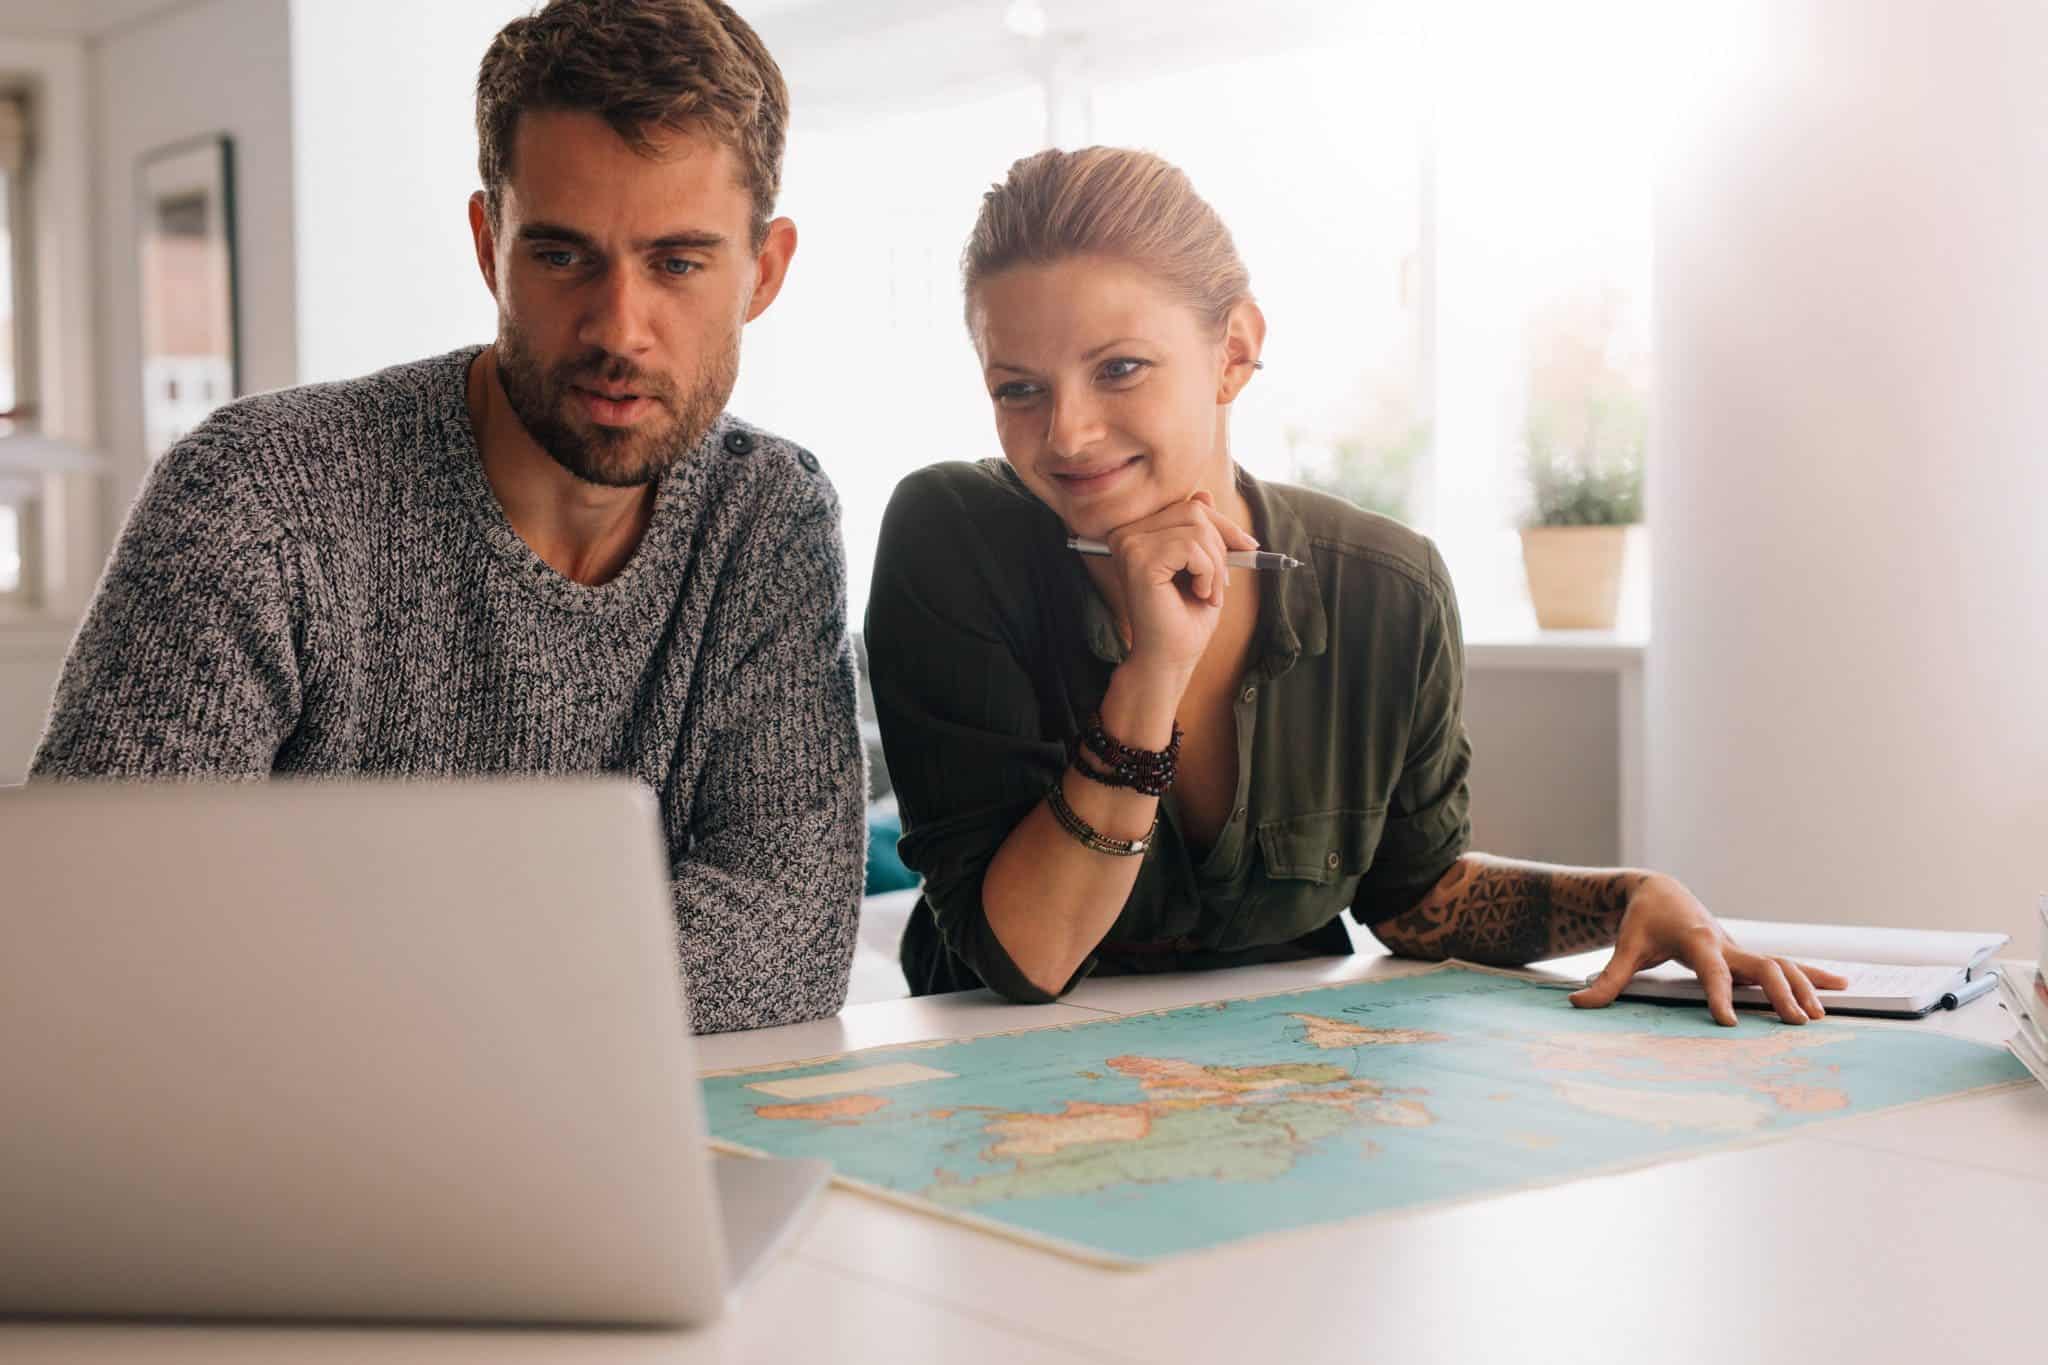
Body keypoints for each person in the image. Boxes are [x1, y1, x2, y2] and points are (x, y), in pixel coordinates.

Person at [31, 0, 865, 1035]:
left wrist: (377, 982)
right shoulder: (257, 493)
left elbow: (787, 943)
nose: (619, 329)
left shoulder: (767, 517)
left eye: (677, 263)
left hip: (627, 1151)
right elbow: (101, 916)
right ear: (488, 244)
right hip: (282, 1147)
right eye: (562, 257)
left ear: (764, 271)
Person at [865, 146, 1844, 1024]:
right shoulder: (952, 540)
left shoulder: (1387, 588)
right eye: (1017, 389)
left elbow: (1410, 899)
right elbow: (1026, 958)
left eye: (1119, 369)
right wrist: (1154, 669)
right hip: (998, 1091)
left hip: (1288, 1086)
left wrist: (1623, 898)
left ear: (1233, 350)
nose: (1067, 433)